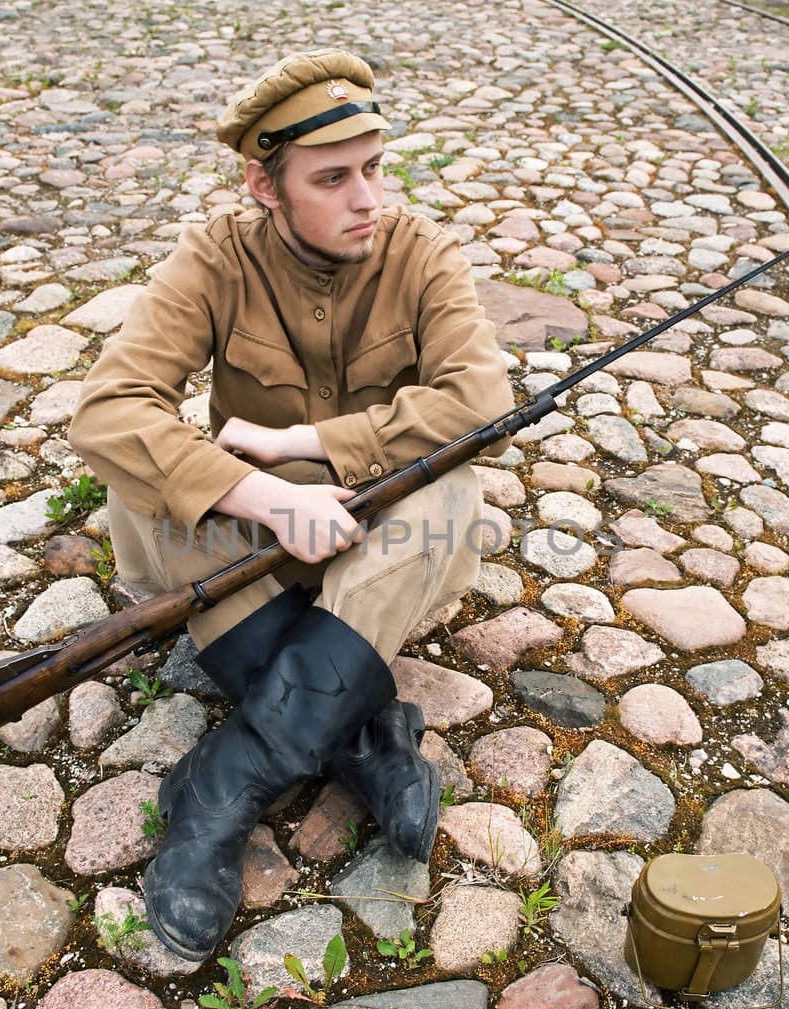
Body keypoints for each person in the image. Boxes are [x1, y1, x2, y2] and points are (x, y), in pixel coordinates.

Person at [68, 48, 513, 962]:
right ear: (264, 185)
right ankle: (363, 735)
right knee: (137, 486)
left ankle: (221, 784)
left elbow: (480, 404)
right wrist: (261, 491)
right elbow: (107, 409)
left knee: (455, 485)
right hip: (247, 541)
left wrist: (301, 446)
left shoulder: (419, 250)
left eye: (376, 168)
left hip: (366, 540)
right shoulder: (216, 256)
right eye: (334, 178)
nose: (368, 199)